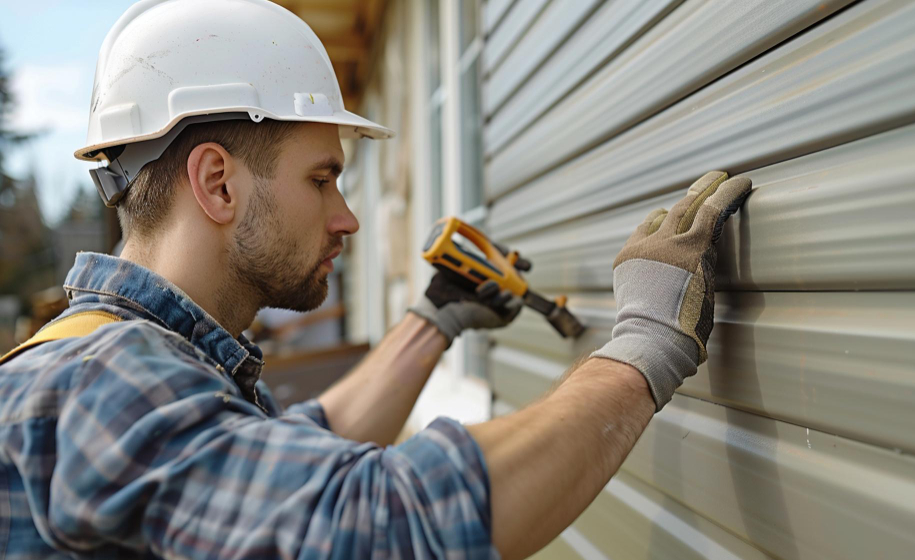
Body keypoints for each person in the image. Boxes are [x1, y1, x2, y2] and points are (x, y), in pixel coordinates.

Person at [0, 1, 751, 558]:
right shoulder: (110, 378)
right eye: (322, 179)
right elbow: (377, 525)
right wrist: (644, 347)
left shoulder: (139, 361)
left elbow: (278, 460)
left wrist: (434, 321)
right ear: (218, 185)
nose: (347, 218)